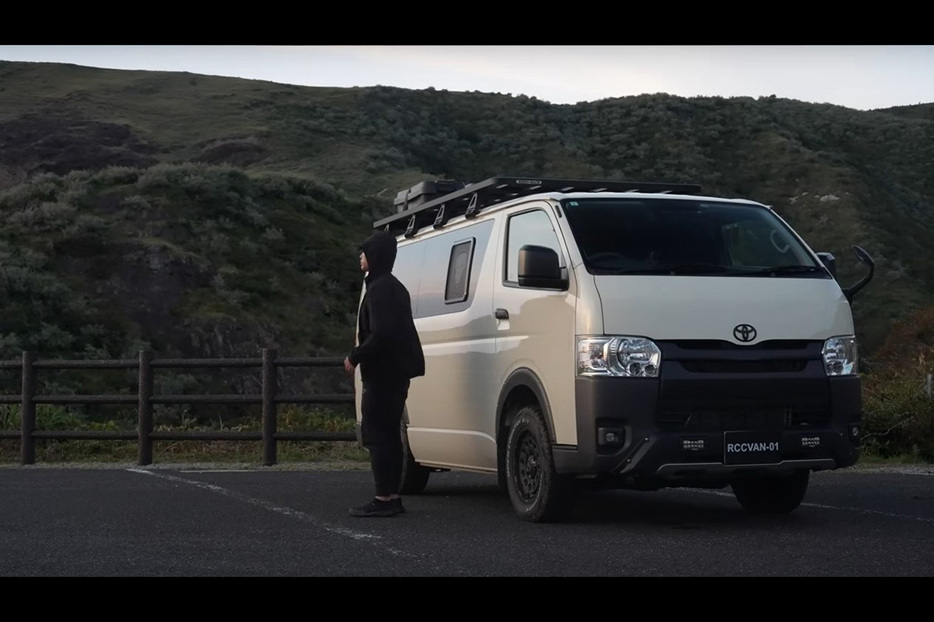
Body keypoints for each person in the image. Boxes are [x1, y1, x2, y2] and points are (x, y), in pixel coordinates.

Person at [344, 229, 425, 517]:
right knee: (389, 433)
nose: (360, 256)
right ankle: (391, 496)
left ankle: (384, 498)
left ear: (375, 256)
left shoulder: (381, 290)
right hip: (394, 372)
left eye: (364, 251)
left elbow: (382, 334)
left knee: (377, 434)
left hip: (384, 374)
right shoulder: (389, 286)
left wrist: (356, 355)